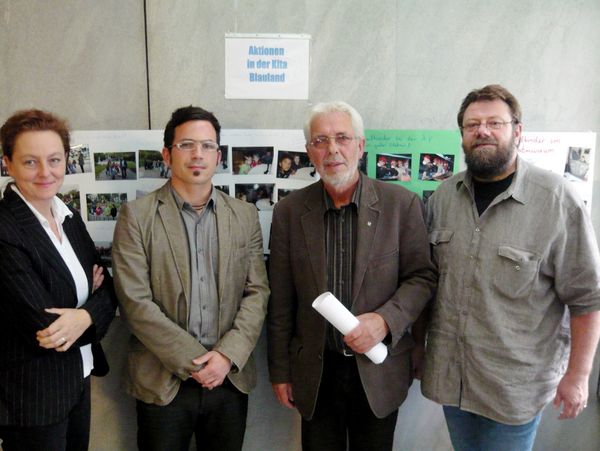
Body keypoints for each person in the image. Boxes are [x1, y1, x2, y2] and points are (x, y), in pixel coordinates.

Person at [418, 84, 600, 451]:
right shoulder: (441, 198)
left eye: (494, 123)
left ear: (517, 131)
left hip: (514, 389)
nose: (482, 131)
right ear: (463, 136)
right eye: (472, 125)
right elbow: (426, 283)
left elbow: (588, 299)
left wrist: (578, 377)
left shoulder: (556, 200)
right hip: (452, 380)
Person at [267, 101, 437, 451]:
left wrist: (384, 321)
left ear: (360, 146)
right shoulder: (289, 212)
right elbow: (281, 299)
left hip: (379, 369)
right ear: (309, 151)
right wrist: (280, 370)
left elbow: (422, 278)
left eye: (342, 138)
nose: (332, 149)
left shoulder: (401, 205)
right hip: (316, 372)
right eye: (321, 140)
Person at [112, 105, 269, 451]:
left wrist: (226, 356)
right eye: (186, 145)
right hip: (162, 381)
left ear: (218, 155)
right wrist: (195, 362)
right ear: (167, 154)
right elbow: (135, 303)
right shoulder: (136, 217)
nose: (198, 154)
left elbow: (257, 292)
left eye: (208, 145)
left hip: (229, 379)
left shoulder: (244, 216)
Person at [0, 109, 117, 451]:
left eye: (54, 159)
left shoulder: (68, 217)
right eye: (30, 162)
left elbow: (109, 289)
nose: (45, 172)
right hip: (32, 397)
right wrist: (91, 308)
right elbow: (46, 328)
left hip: (77, 380)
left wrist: (83, 314)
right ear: (7, 162)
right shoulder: (5, 229)